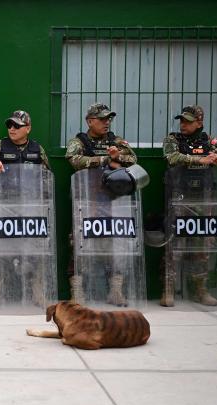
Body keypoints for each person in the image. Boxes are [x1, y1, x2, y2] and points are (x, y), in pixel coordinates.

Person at [65, 103, 138, 306]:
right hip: (87, 201)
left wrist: (118, 157)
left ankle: (115, 291)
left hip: (113, 201)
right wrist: (107, 159)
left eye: (109, 119)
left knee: (115, 245)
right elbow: (74, 159)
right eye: (102, 119)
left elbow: (132, 159)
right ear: (90, 121)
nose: (107, 122)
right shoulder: (78, 141)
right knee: (78, 244)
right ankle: (77, 293)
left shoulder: (116, 140)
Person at [0, 110, 51, 309]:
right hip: (4, 207)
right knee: (0, 252)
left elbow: (47, 175)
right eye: (10, 125)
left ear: (28, 128)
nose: (12, 129)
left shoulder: (37, 149)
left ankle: (38, 294)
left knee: (36, 253)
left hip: (31, 207)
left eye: (17, 126)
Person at [161, 105, 217, 307]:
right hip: (180, 196)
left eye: (188, 121)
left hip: (204, 197)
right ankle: (168, 289)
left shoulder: (209, 141)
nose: (183, 124)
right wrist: (200, 159)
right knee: (175, 242)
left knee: (203, 244)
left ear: (199, 122)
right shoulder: (173, 139)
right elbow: (172, 157)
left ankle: (200, 289)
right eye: (182, 120)